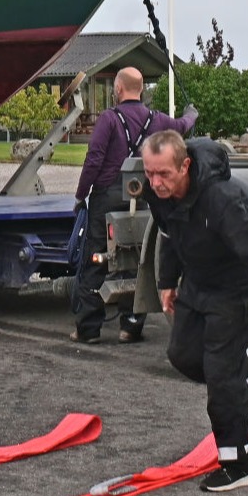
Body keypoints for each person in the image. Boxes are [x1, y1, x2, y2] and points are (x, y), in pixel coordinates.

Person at [141, 129, 248, 493]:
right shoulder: (158, 192)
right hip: (197, 285)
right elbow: (170, 232)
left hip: (234, 291)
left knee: (221, 380)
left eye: (164, 174)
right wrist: (167, 281)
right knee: (183, 356)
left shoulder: (222, 200)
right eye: (149, 173)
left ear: (185, 166)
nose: (155, 183)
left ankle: (238, 463)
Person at [70, 67, 196, 344]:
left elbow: (94, 159)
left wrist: (81, 196)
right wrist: (191, 114)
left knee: (96, 259)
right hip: (143, 198)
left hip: (107, 196)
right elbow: (182, 126)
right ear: (141, 89)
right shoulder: (157, 119)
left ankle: (88, 329)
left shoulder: (109, 119)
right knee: (135, 261)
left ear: (118, 89)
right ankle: (130, 327)